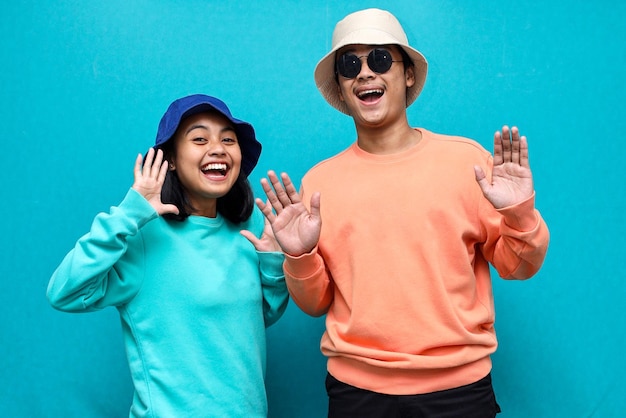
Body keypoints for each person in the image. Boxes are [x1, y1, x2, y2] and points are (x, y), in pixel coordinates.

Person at [256, 8, 549, 418]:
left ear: (407, 75)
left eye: (379, 59)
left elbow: (518, 267)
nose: (364, 73)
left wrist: (519, 215)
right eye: (349, 64)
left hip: (459, 391)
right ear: (341, 88)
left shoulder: (467, 163)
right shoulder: (320, 183)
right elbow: (317, 302)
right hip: (357, 393)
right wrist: (299, 256)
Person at [47, 94, 289, 417]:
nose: (217, 148)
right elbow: (63, 292)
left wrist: (275, 264)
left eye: (228, 139)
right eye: (200, 138)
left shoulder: (250, 225)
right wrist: (128, 215)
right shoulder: (145, 237)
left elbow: (253, 320)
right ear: (170, 160)